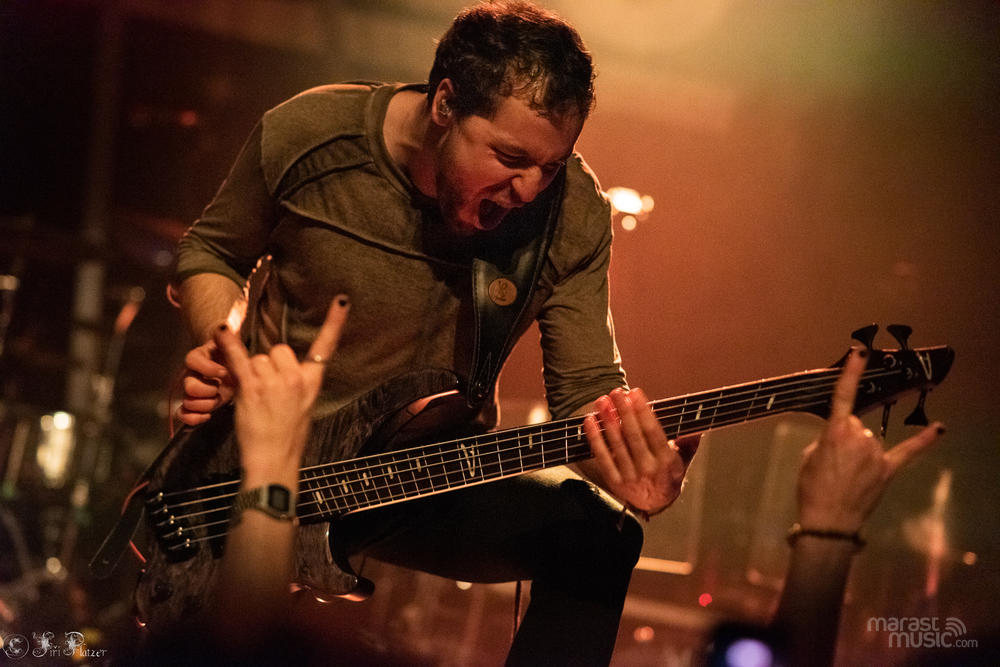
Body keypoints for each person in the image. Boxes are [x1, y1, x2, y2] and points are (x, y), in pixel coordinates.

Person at [170, 2, 692, 664]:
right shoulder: (311, 131)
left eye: (552, 165)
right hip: (265, 459)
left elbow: (584, 392)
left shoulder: (574, 215)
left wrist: (629, 464)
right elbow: (213, 251)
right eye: (510, 156)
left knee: (601, 533)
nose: (531, 188)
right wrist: (223, 345)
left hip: (423, 475)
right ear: (445, 104)